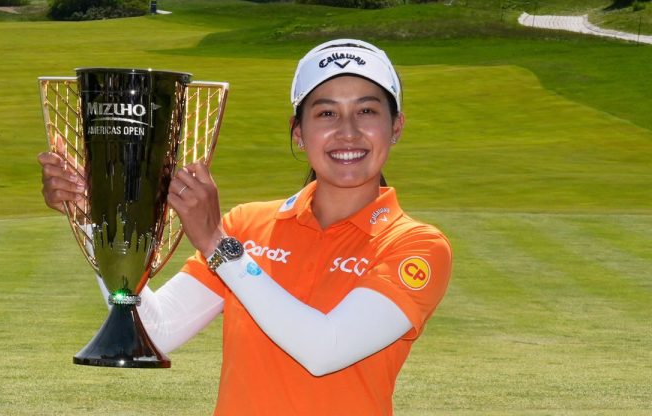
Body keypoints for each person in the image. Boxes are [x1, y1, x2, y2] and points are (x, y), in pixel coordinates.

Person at [39, 39, 452, 416]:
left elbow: (324, 349)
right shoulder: (248, 225)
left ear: (395, 127)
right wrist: (99, 218)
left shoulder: (416, 246)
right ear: (299, 132)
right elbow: (155, 330)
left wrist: (219, 246)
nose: (347, 131)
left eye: (367, 111)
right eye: (326, 112)